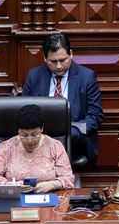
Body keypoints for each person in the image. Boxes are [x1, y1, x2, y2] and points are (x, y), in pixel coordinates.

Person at [22, 32, 103, 167]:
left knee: (72, 134)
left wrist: (72, 129)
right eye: (53, 61)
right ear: (45, 58)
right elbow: (24, 112)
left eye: (63, 60)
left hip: (74, 139)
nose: (58, 66)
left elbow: (95, 116)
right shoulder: (34, 76)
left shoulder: (87, 77)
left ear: (71, 54)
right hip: (40, 137)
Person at [0, 104, 75, 191]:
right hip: (15, 196)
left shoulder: (55, 146)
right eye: (24, 135)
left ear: (42, 128)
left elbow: (68, 178)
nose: (29, 140)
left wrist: (52, 185)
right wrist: (12, 185)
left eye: (34, 134)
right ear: (18, 131)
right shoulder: (7, 147)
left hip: (48, 196)